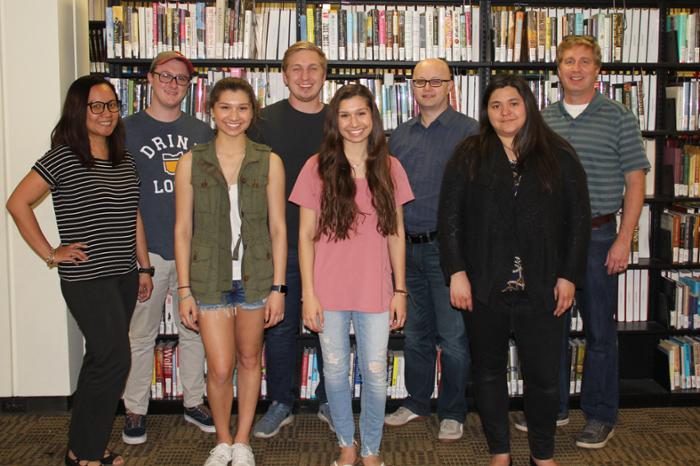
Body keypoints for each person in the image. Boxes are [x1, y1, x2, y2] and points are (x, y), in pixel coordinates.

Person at [438, 74, 591, 466]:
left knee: (542, 378)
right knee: (488, 373)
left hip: (542, 287)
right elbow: (450, 218)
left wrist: (570, 275)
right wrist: (456, 272)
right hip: (484, 285)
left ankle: (542, 454)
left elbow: (578, 221)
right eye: (495, 105)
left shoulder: (559, 153)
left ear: (528, 106)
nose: (505, 113)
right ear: (485, 112)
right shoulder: (469, 154)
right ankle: (499, 452)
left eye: (513, 103)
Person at [6, 75, 153, 466]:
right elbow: (18, 203)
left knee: (99, 361)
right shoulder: (63, 156)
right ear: (79, 110)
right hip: (87, 277)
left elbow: (132, 214)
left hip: (123, 272)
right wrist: (51, 253)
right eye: (96, 106)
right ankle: (86, 452)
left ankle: (82, 447)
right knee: (115, 359)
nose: (107, 114)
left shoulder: (125, 159)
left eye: (112, 106)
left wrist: (145, 267)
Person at [513, 35, 650, 450]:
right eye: (568, 61)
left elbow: (635, 181)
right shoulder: (540, 119)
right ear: (557, 70)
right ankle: (551, 408)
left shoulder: (619, 117)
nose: (576, 68)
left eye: (585, 61)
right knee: (547, 328)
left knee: (599, 332)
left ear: (598, 69)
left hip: (599, 236)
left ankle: (600, 415)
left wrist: (624, 239)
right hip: (548, 242)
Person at [290, 84, 414, 466]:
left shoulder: (390, 167)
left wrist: (400, 290)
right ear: (334, 121)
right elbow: (305, 237)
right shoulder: (316, 167)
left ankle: (372, 448)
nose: (354, 122)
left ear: (373, 118)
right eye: (345, 115)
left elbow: (396, 234)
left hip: (375, 289)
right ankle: (347, 443)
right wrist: (308, 294)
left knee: (376, 372)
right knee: (336, 370)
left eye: (361, 113)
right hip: (327, 290)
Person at [174, 77, 287, 466]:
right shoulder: (192, 160)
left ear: (252, 112)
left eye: (242, 108)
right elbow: (183, 229)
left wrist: (279, 287)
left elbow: (278, 228)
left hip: (256, 275)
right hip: (208, 278)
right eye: (225, 107)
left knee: (250, 358)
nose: (233, 116)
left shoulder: (269, 160)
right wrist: (184, 290)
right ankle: (221, 442)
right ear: (211, 111)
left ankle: (243, 442)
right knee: (220, 367)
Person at [122, 50, 215, 445]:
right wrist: (140, 260)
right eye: (165, 76)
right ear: (150, 79)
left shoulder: (201, 131)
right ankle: (135, 409)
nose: (173, 84)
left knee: (193, 331)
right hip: (148, 252)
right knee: (140, 334)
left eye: (181, 79)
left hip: (193, 251)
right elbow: (121, 195)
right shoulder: (124, 130)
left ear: (188, 85)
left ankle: (194, 401)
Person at [384, 58, 478, 442]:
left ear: (450, 85)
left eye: (435, 81)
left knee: (454, 337)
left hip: (448, 250)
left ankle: (453, 411)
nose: (427, 87)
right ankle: (418, 401)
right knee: (416, 334)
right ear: (411, 87)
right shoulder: (398, 135)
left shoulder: (470, 132)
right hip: (406, 248)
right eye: (420, 81)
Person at [248, 41, 333, 437]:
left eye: (313, 68)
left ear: (324, 73)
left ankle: (329, 400)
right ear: (283, 76)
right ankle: (282, 401)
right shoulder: (261, 121)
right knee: (279, 326)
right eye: (296, 69)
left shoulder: (341, 120)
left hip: (332, 246)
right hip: (279, 245)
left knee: (330, 327)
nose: (304, 76)